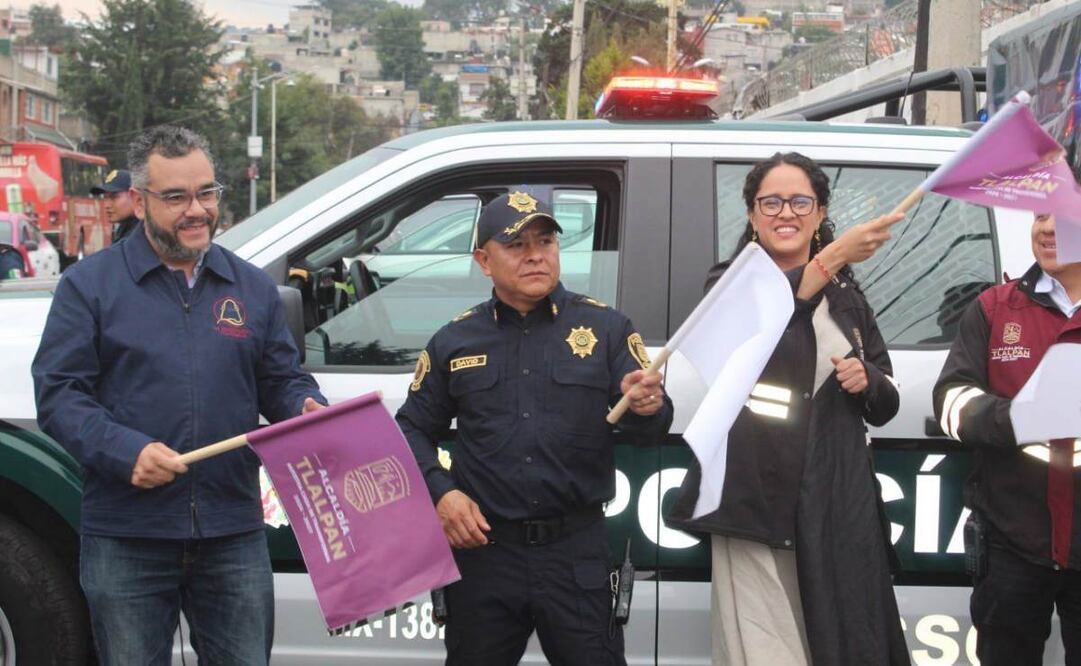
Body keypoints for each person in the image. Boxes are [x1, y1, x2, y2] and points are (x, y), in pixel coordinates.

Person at [32, 126, 326, 666]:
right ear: (140, 202)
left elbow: (281, 380)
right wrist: (126, 452)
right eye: (176, 197)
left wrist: (305, 405)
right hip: (127, 536)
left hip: (232, 532)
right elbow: (59, 395)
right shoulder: (89, 287)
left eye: (207, 193)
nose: (197, 211)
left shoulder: (250, 287)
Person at [396, 191, 673, 665]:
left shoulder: (606, 328)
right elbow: (410, 429)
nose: (535, 255)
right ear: (484, 260)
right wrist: (441, 493)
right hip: (485, 554)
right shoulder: (454, 340)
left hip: (575, 554)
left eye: (545, 241)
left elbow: (651, 431)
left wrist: (648, 406)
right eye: (516, 245)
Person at [667, 152, 910, 666]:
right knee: (766, 648)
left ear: (820, 213)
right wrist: (832, 259)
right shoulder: (730, 284)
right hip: (754, 502)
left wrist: (868, 381)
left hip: (833, 503)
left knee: (841, 642)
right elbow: (773, 327)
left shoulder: (847, 296)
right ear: (752, 215)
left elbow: (886, 400)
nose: (786, 213)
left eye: (800, 201)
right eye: (770, 202)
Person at [933, 178, 1081, 665]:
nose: (1046, 228)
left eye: (1061, 215)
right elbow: (950, 400)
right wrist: (1018, 418)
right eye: (1040, 216)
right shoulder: (994, 309)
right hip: (1012, 541)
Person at [91, 168, 139, 243]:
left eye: (114, 197)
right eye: (105, 197)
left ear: (134, 196)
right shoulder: (126, 228)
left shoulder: (143, 234)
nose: (107, 205)